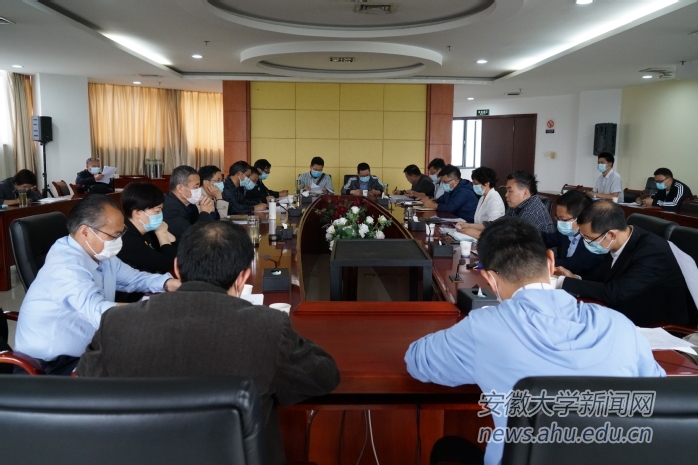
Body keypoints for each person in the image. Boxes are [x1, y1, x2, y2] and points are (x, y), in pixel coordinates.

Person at [404, 217, 665, 465]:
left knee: (446, 447)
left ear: (489, 279)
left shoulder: (484, 328)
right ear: (550, 262)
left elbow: (418, 361)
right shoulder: (619, 324)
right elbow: (659, 397)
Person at [77, 221, 340, 465]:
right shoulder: (267, 326)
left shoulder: (116, 323)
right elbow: (325, 376)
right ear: (243, 277)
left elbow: (87, 387)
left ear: (177, 268)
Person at [14, 194, 181, 375]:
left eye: (121, 233)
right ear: (85, 231)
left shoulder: (99, 253)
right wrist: (156, 312)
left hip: (90, 346)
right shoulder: (65, 267)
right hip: (51, 367)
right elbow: (99, 311)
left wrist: (168, 283)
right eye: (114, 235)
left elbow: (133, 278)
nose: (119, 241)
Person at [556, 200, 690, 327]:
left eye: (589, 238)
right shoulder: (614, 242)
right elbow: (605, 278)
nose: (585, 242)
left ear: (611, 235)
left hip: (653, 323)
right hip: (624, 307)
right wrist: (575, 278)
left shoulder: (653, 252)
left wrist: (561, 282)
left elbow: (615, 293)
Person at [457, 170, 553, 239]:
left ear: (525, 192)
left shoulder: (532, 211)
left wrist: (474, 233)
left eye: (510, 191)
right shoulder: (517, 206)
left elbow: (510, 240)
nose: (506, 195)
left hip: (535, 258)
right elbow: (497, 224)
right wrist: (469, 226)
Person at [117, 182, 177, 275]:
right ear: (137, 213)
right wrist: (162, 234)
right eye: (157, 211)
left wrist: (164, 232)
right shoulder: (127, 240)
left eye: (161, 210)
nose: (160, 214)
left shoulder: (146, 227)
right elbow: (168, 263)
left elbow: (178, 250)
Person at [540, 189, 604, 276]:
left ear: (581, 218)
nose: (559, 223)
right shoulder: (566, 233)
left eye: (563, 219)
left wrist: (539, 260)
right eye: (557, 218)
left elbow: (571, 265)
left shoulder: (594, 241)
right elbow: (546, 239)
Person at [162, 165, 215, 240]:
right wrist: (205, 212)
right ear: (180, 188)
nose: (199, 190)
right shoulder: (170, 208)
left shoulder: (190, 204)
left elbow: (213, 227)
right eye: (196, 187)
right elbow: (192, 236)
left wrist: (210, 209)